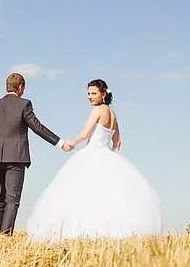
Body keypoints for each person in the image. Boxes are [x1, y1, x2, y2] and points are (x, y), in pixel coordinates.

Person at [24, 79, 162, 241]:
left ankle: (84, 232)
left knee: (82, 193)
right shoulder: (112, 113)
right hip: (108, 154)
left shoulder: (98, 110)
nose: (90, 97)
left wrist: (71, 143)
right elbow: (117, 141)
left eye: (94, 93)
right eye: (88, 93)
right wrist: (110, 156)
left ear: (103, 94)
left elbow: (85, 134)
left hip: (93, 153)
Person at [0, 72, 73, 235]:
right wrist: (60, 142)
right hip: (16, 158)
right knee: (12, 199)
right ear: (20, 88)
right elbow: (38, 127)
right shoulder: (24, 104)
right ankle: (5, 237)